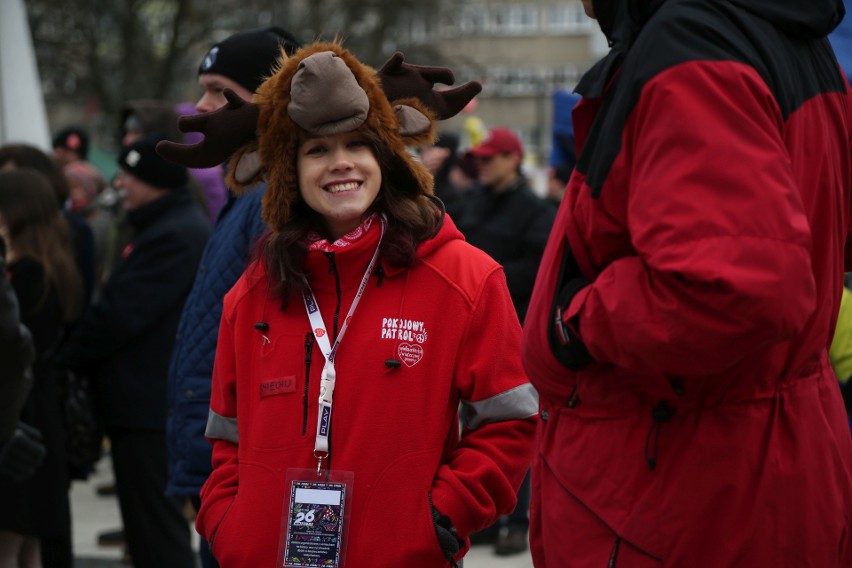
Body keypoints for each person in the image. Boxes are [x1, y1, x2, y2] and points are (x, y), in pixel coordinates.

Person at [158, 41, 537, 567]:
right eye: (317, 150)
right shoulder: (252, 294)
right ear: (290, 170)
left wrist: (441, 518)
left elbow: (511, 420)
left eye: (358, 145)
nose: (341, 164)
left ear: (384, 156)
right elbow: (226, 438)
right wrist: (230, 525)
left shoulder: (464, 277)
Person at [522, 0, 852, 566]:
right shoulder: (786, 34)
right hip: (764, 461)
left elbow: (737, 289)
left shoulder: (693, 42)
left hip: (680, 491)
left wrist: (574, 324)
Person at [164, 25, 301, 568]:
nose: (202, 105)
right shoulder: (250, 189)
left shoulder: (277, 198)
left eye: (221, 91)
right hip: (222, 460)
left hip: (248, 467)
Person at [58, 135, 210, 568]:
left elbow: (118, 314)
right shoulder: (165, 225)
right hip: (144, 404)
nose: (119, 184)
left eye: (128, 176)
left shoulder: (174, 234)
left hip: (148, 408)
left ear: (155, 181)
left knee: (156, 536)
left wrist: (70, 355)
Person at [452, 126, 555, 556]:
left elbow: (538, 270)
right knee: (470, 425)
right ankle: (490, 519)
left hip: (514, 327)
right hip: (467, 327)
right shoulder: (472, 202)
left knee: (513, 421)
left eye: (491, 158)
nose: (482, 164)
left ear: (513, 159)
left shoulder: (535, 210)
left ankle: (516, 519)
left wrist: (482, 283)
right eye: (479, 158)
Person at [0, 168, 84, 568]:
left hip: (23, 414)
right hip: (40, 412)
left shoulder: (27, 273)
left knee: (11, 538)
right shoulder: (49, 264)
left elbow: (14, 350)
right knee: (29, 539)